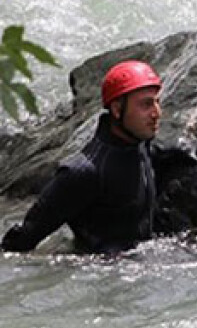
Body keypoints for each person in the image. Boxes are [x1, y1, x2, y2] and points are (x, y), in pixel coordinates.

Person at [1, 61, 162, 253]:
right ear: (117, 110)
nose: (156, 113)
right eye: (146, 104)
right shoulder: (83, 172)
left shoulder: (140, 145)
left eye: (157, 102)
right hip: (100, 275)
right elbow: (23, 240)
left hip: (141, 266)